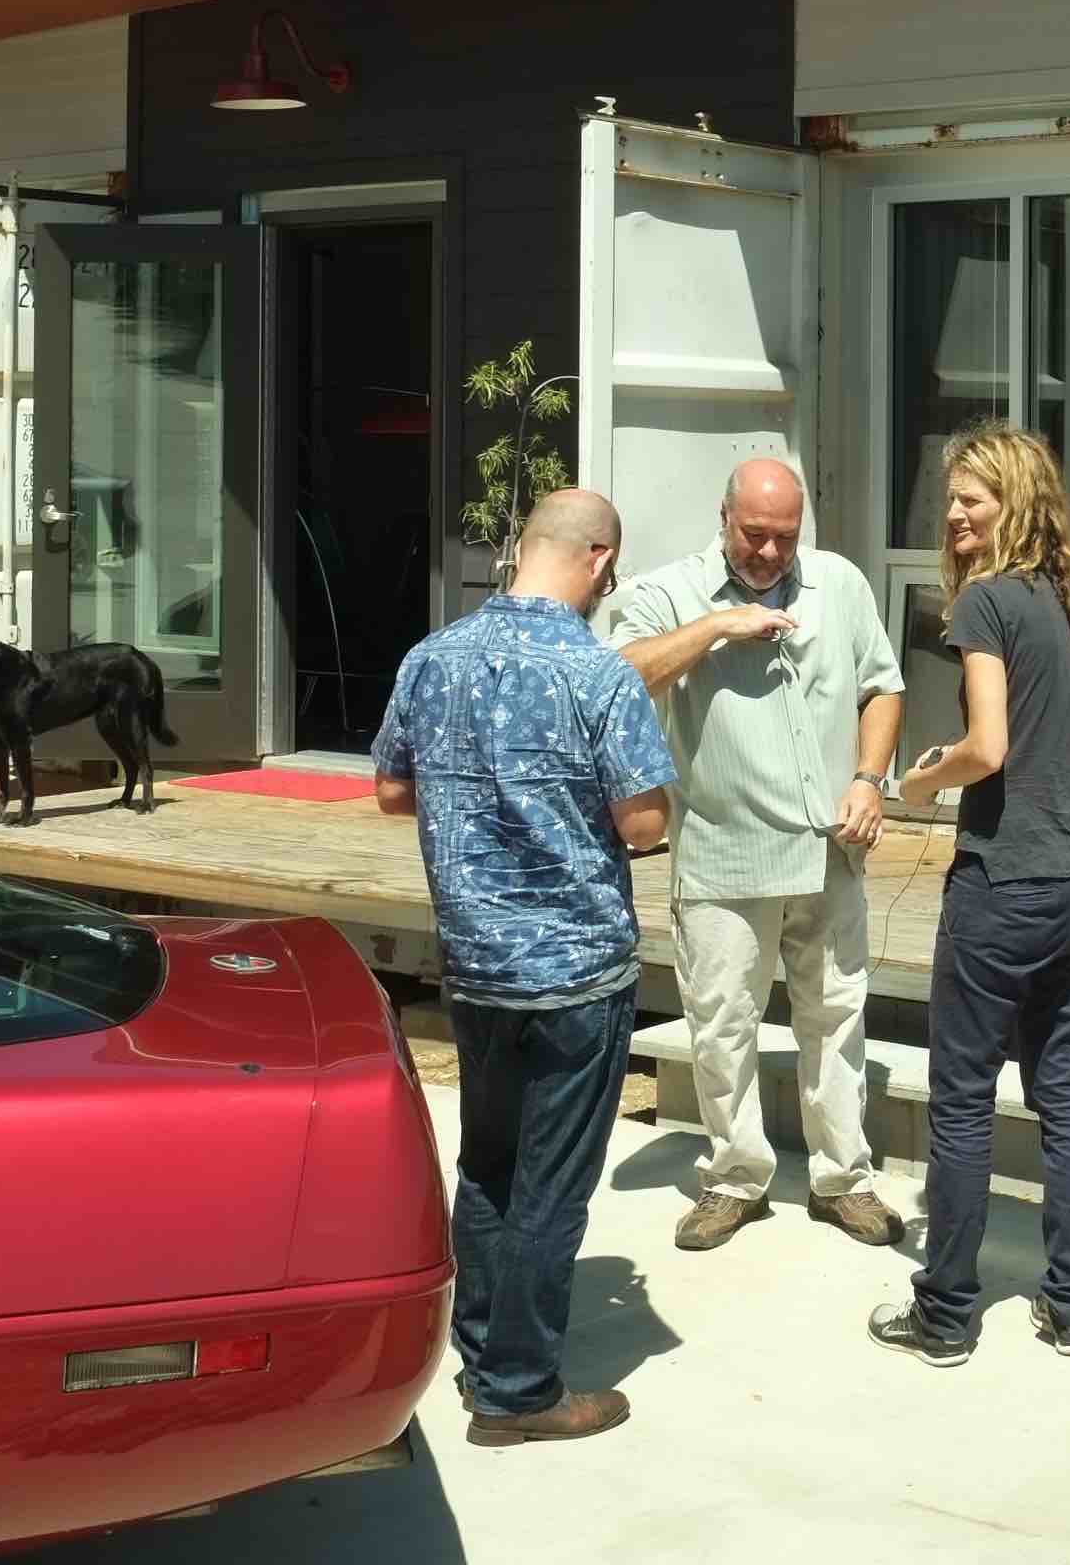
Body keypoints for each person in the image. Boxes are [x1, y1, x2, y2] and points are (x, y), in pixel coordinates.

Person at [374, 488, 675, 1447]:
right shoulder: (599, 674)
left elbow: (389, 789)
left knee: (491, 1165)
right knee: (551, 1183)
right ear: (599, 562)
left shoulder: (433, 657)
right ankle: (520, 1391)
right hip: (577, 971)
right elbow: (644, 824)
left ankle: (478, 1352)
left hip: (474, 963)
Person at [610, 459, 908, 1252]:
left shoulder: (839, 584)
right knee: (721, 1024)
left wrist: (870, 780)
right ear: (722, 517)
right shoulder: (671, 593)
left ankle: (844, 1179)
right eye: (755, 536)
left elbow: (884, 687)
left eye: (785, 537)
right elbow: (618, 675)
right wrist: (717, 627)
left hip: (831, 849)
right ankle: (736, 1178)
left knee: (837, 1018)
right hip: (725, 852)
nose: (771, 554)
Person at [870, 424, 1070, 1368]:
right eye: (953, 499)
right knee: (1062, 1088)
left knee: (962, 1099)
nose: (958, 514)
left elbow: (988, 748)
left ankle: (944, 1317)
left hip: (1000, 884)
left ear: (1017, 499)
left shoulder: (983, 605)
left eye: (975, 497)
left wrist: (925, 780)